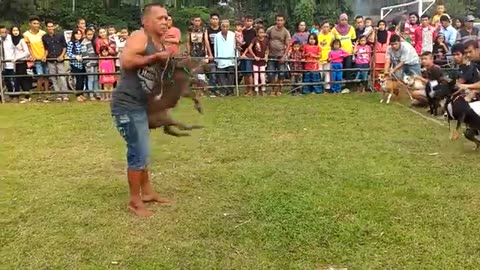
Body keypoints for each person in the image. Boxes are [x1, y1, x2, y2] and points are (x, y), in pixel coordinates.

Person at [111, 3, 172, 217]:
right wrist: (154, 58)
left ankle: (147, 192)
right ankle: (134, 201)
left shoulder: (161, 44)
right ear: (146, 22)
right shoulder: (140, 36)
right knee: (138, 151)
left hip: (142, 105)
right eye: (160, 18)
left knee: (142, 149)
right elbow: (126, 61)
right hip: (127, 104)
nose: (165, 21)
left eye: (167, 18)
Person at [23, 15, 48, 101]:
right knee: (40, 76)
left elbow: (46, 46)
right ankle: (39, 94)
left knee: (47, 76)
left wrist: (45, 55)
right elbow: (28, 46)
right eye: (34, 23)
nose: (36, 25)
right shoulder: (26, 34)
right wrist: (32, 55)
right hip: (36, 59)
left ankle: (47, 93)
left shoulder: (43, 33)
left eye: (38, 23)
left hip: (45, 58)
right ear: (30, 24)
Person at [42, 20, 68, 102]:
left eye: (51, 26)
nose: (50, 28)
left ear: (54, 27)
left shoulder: (60, 35)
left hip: (59, 59)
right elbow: (46, 49)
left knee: (62, 77)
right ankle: (58, 95)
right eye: (48, 26)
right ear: (46, 27)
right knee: (53, 78)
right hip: (50, 60)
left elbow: (64, 47)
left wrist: (61, 55)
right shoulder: (44, 37)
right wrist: (44, 56)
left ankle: (65, 95)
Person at [266, 14, 291, 96]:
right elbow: (266, 41)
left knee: (281, 73)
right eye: (278, 20)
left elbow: (288, 45)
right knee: (270, 73)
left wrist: (284, 56)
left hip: (281, 55)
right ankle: (273, 89)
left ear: (284, 21)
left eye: (281, 20)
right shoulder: (270, 29)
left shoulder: (286, 32)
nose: (279, 22)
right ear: (275, 21)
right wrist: (266, 52)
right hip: (271, 55)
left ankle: (279, 90)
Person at [10, 25, 32, 103]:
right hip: (15, 63)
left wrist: (17, 58)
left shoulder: (22, 40)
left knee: (23, 79)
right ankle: (17, 95)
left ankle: (27, 96)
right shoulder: (11, 40)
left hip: (22, 62)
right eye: (13, 30)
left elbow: (27, 52)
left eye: (17, 30)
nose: (15, 32)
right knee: (17, 79)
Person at [214, 20, 236, 96]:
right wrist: (216, 58)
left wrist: (236, 56)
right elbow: (215, 47)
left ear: (229, 27)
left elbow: (235, 46)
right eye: (223, 26)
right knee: (221, 76)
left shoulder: (233, 35)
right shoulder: (217, 35)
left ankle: (230, 91)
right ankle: (224, 91)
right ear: (221, 27)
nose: (225, 28)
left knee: (231, 76)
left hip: (231, 58)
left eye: (227, 27)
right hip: (221, 58)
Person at [331, 13, 356, 80]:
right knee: (339, 68)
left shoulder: (351, 28)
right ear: (339, 20)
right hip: (338, 53)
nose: (344, 21)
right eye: (342, 20)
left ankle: (347, 85)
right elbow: (332, 41)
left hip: (348, 52)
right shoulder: (334, 29)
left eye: (345, 20)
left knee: (348, 68)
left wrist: (354, 49)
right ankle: (339, 83)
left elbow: (353, 40)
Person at [66, 28, 87, 102]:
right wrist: (75, 56)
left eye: (80, 34)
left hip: (82, 63)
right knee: (78, 79)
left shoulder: (81, 42)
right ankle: (78, 95)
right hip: (75, 64)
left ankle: (81, 94)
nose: (78, 35)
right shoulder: (71, 43)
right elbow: (68, 53)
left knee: (82, 79)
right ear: (73, 35)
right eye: (77, 34)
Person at [248, 26, 269, 95]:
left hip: (262, 61)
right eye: (260, 32)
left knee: (262, 75)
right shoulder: (255, 39)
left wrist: (266, 56)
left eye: (262, 32)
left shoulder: (266, 40)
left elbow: (267, 49)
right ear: (257, 33)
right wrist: (254, 56)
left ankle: (263, 89)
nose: (261, 34)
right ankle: (256, 90)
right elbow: (250, 48)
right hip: (255, 61)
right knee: (256, 75)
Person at [239, 15, 256, 96]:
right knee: (244, 73)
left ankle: (251, 90)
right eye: (247, 20)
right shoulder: (242, 31)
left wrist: (245, 54)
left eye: (250, 20)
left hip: (249, 54)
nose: (248, 22)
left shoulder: (254, 31)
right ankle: (247, 89)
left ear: (252, 22)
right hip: (242, 54)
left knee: (249, 73)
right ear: (244, 21)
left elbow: (251, 45)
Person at [373, 20, 391, 91]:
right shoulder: (375, 33)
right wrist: (374, 31)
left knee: (385, 71)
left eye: (383, 24)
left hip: (386, 55)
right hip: (377, 55)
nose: (381, 26)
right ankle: (377, 87)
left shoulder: (389, 33)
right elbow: (371, 40)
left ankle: (385, 86)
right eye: (380, 24)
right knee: (376, 72)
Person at [83, 28, 100, 100]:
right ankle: (91, 94)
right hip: (89, 63)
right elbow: (84, 54)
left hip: (95, 62)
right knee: (91, 79)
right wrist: (87, 62)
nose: (90, 36)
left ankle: (97, 93)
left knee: (96, 79)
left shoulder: (94, 41)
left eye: (91, 34)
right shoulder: (84, 43)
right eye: (89, 34)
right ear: (85, 35)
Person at [206, 13, 221, 96]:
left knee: (220, 73)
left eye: (216, 19)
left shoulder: (221, 30)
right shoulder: (207, 30)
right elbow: (207, 42)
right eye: (213, 19)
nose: (215, 20)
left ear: (219, 20)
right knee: (213, 72)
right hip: (211, 54)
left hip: (221, 55)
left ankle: (220, 88)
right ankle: (212, 90)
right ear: (210, 20)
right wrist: (210, 54)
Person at [318, 21, 333, 92]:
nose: (326, 28)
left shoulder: (331, 36)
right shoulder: (318, 35)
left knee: (327, 73)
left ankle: (327, 88)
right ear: (321, 27)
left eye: (327, 27)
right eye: (324, 26)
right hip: (319, 57)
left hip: (328, 57)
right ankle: (319, 87)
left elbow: (333, 47)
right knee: (320, 73)